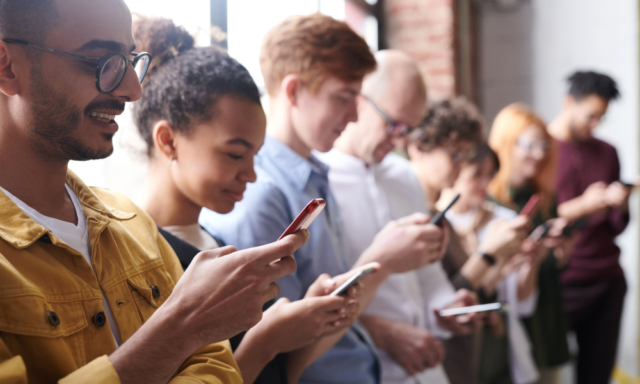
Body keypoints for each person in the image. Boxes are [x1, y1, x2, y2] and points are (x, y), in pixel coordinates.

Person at [0, 1, 310, 382]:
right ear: (7, 65)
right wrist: (181, 328)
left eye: (131, 61)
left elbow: (217, 367)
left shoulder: (131, 223)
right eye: (100, 61)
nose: (132, 89)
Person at [201, 14, 447, 384]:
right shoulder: (260, 194)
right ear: (294, 91)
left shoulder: (314, 175)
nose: (353, 114)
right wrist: (379, 262)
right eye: (343, 98)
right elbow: (279, 353)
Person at [132, 18, 368, 384]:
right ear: (168, 141)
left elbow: (279, 374)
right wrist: (263, 343)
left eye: (255, 156)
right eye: (234, 154)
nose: (252, 175)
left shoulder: (218, 248)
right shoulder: (133, 259)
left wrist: (314, 320)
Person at [318, 50, 482, 384]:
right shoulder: (319, 182)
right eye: (393, 124)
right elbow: (310, 295)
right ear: (358, 102)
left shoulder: (405, 176)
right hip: (359, 367)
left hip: (426, 366)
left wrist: (448, 306)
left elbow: (426, 274)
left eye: (409, 129)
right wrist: (379, 330)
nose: (400, 140)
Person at [407, 97, 530, 384]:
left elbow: (453, 293)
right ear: (417, 148)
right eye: (454, 153)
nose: (461, 164)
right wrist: (488, 254)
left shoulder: (440, 216)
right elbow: (435, 304)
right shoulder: (411, 217)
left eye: (465, 154)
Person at [547, 71, 630, 384]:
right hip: (560, 280)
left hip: (607, 279)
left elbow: (615, 227)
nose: (594, 125)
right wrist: (583, 205)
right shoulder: (540, 150)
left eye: (601, 118)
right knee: (545, 371)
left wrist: (619, 205)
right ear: (569, 103)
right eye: (590, 116)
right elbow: (528, 216)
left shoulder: (607, 152)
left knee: (596, 376)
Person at [440, 143, 541, 384]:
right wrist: (492, 262)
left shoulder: (503, 220)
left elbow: (522, 300)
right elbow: (442, 295)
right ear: (455, 170)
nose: (486, 183)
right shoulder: (436, 224)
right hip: (451, 344)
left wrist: (530, 262)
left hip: (495, 339)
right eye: (477, 175)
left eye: (490, 175)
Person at [488, 103, 572, 384]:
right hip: (507, 324)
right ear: (506, 143)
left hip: (546, 319)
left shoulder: (544, 197)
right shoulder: (488, 203)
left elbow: (556, 265)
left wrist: (559, 252)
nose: (539, 154)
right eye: (530, 145)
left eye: (544, 146)